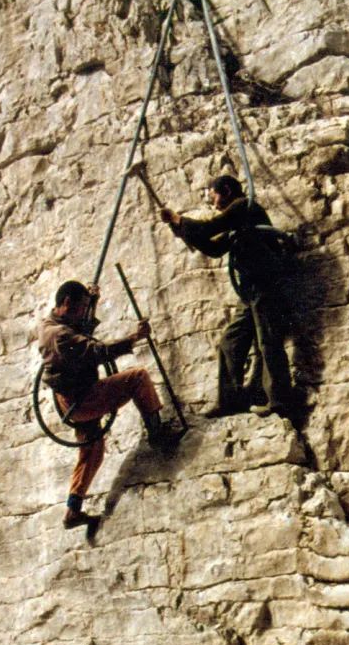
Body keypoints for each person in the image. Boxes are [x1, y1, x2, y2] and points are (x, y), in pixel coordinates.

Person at [39, 280, 182, 529]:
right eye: (81, 307)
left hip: (71, 401)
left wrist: (91, 302)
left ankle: (73, 510)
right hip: (83, 400)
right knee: (138, 378)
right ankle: (157, 433)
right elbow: (97, 350)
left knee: (92, 451)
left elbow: (80, 329)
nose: (85, 312)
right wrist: (134, 338)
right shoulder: (59, 335)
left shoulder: (52, 324)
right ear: (66, 304)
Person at [160, 174, 295, 419]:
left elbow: (210, 228)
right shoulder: (237, 224)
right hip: (250, 291)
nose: (213, 203)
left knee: (268, 341)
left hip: (266, 285)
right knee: (230, 342)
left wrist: (179, 219)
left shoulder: (244, 207)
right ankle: (230, 401)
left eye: (214, 196)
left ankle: (279, 402)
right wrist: (179, 228)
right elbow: (213, 248)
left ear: (227, 191)